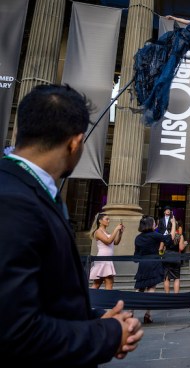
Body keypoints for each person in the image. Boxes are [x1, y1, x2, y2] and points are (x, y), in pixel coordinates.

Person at [0, 84, 142, 365]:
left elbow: (43, 298)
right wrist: (109, 333)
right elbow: (15, 331)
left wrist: (95, 320)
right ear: (75, 143)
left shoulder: (22, 189)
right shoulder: (13, 203)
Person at [133, 15, 190, 125]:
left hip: (183, 43)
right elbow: (185, 21)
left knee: (171, 62)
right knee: (161, 51)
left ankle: (158, 88)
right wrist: (173, 18)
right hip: (175, 37)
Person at [134, 215, 176, 324]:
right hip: (153, 262)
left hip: (143, 264)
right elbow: (169, 239)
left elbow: (136, 256)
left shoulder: (138, 238)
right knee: (151, 287)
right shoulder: (155, 235)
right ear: (150, 224)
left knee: (139, 288)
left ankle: (130, 311)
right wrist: (174, 224)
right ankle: (147, 314)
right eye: (154, 223)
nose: (155, 224)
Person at [88, 213, 125, 290]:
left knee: (97, 284)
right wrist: (116, 229)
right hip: (103, 259)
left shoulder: (107, 232)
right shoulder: (98, 232)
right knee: (109, 282)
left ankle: (88, 299)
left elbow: (115, 242)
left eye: (109, 219)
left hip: (107, 259)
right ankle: (106, 300)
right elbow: (108, 241)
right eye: (107, 219)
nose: (109, 221)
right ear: (100, 221)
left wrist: (120, 232)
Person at [162, 214, 188, 295]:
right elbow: (181, 248)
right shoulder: (180, 236)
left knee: (166, 278)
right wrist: (184, 244)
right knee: (177, 278)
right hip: (176, 257)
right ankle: (176, 296)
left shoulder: (165, 236)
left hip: (167, 256)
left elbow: (161, 248)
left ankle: (167, 295)